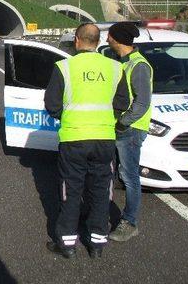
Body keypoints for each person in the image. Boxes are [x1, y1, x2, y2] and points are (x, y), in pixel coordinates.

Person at [44, 23, 129, 259]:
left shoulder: (64, 66)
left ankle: (67, 243)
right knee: (102, 190)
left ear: (77, 41)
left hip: (73, 138)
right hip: (104, 138)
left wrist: (70, 116)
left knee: (70, 190)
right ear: (98, 41)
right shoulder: (115, 68)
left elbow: (51, 105)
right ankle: (97, 243)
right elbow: (123, 103)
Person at [107, 22, 153, 242]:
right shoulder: (122, 62)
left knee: (130, 176)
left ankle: (130, 222)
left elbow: (142, 103)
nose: (107, 40)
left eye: (110, 37)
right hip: (121, 128)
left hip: (131, 130)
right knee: (117, 173)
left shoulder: (139, 66)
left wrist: (123, 122)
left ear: (117, 39)